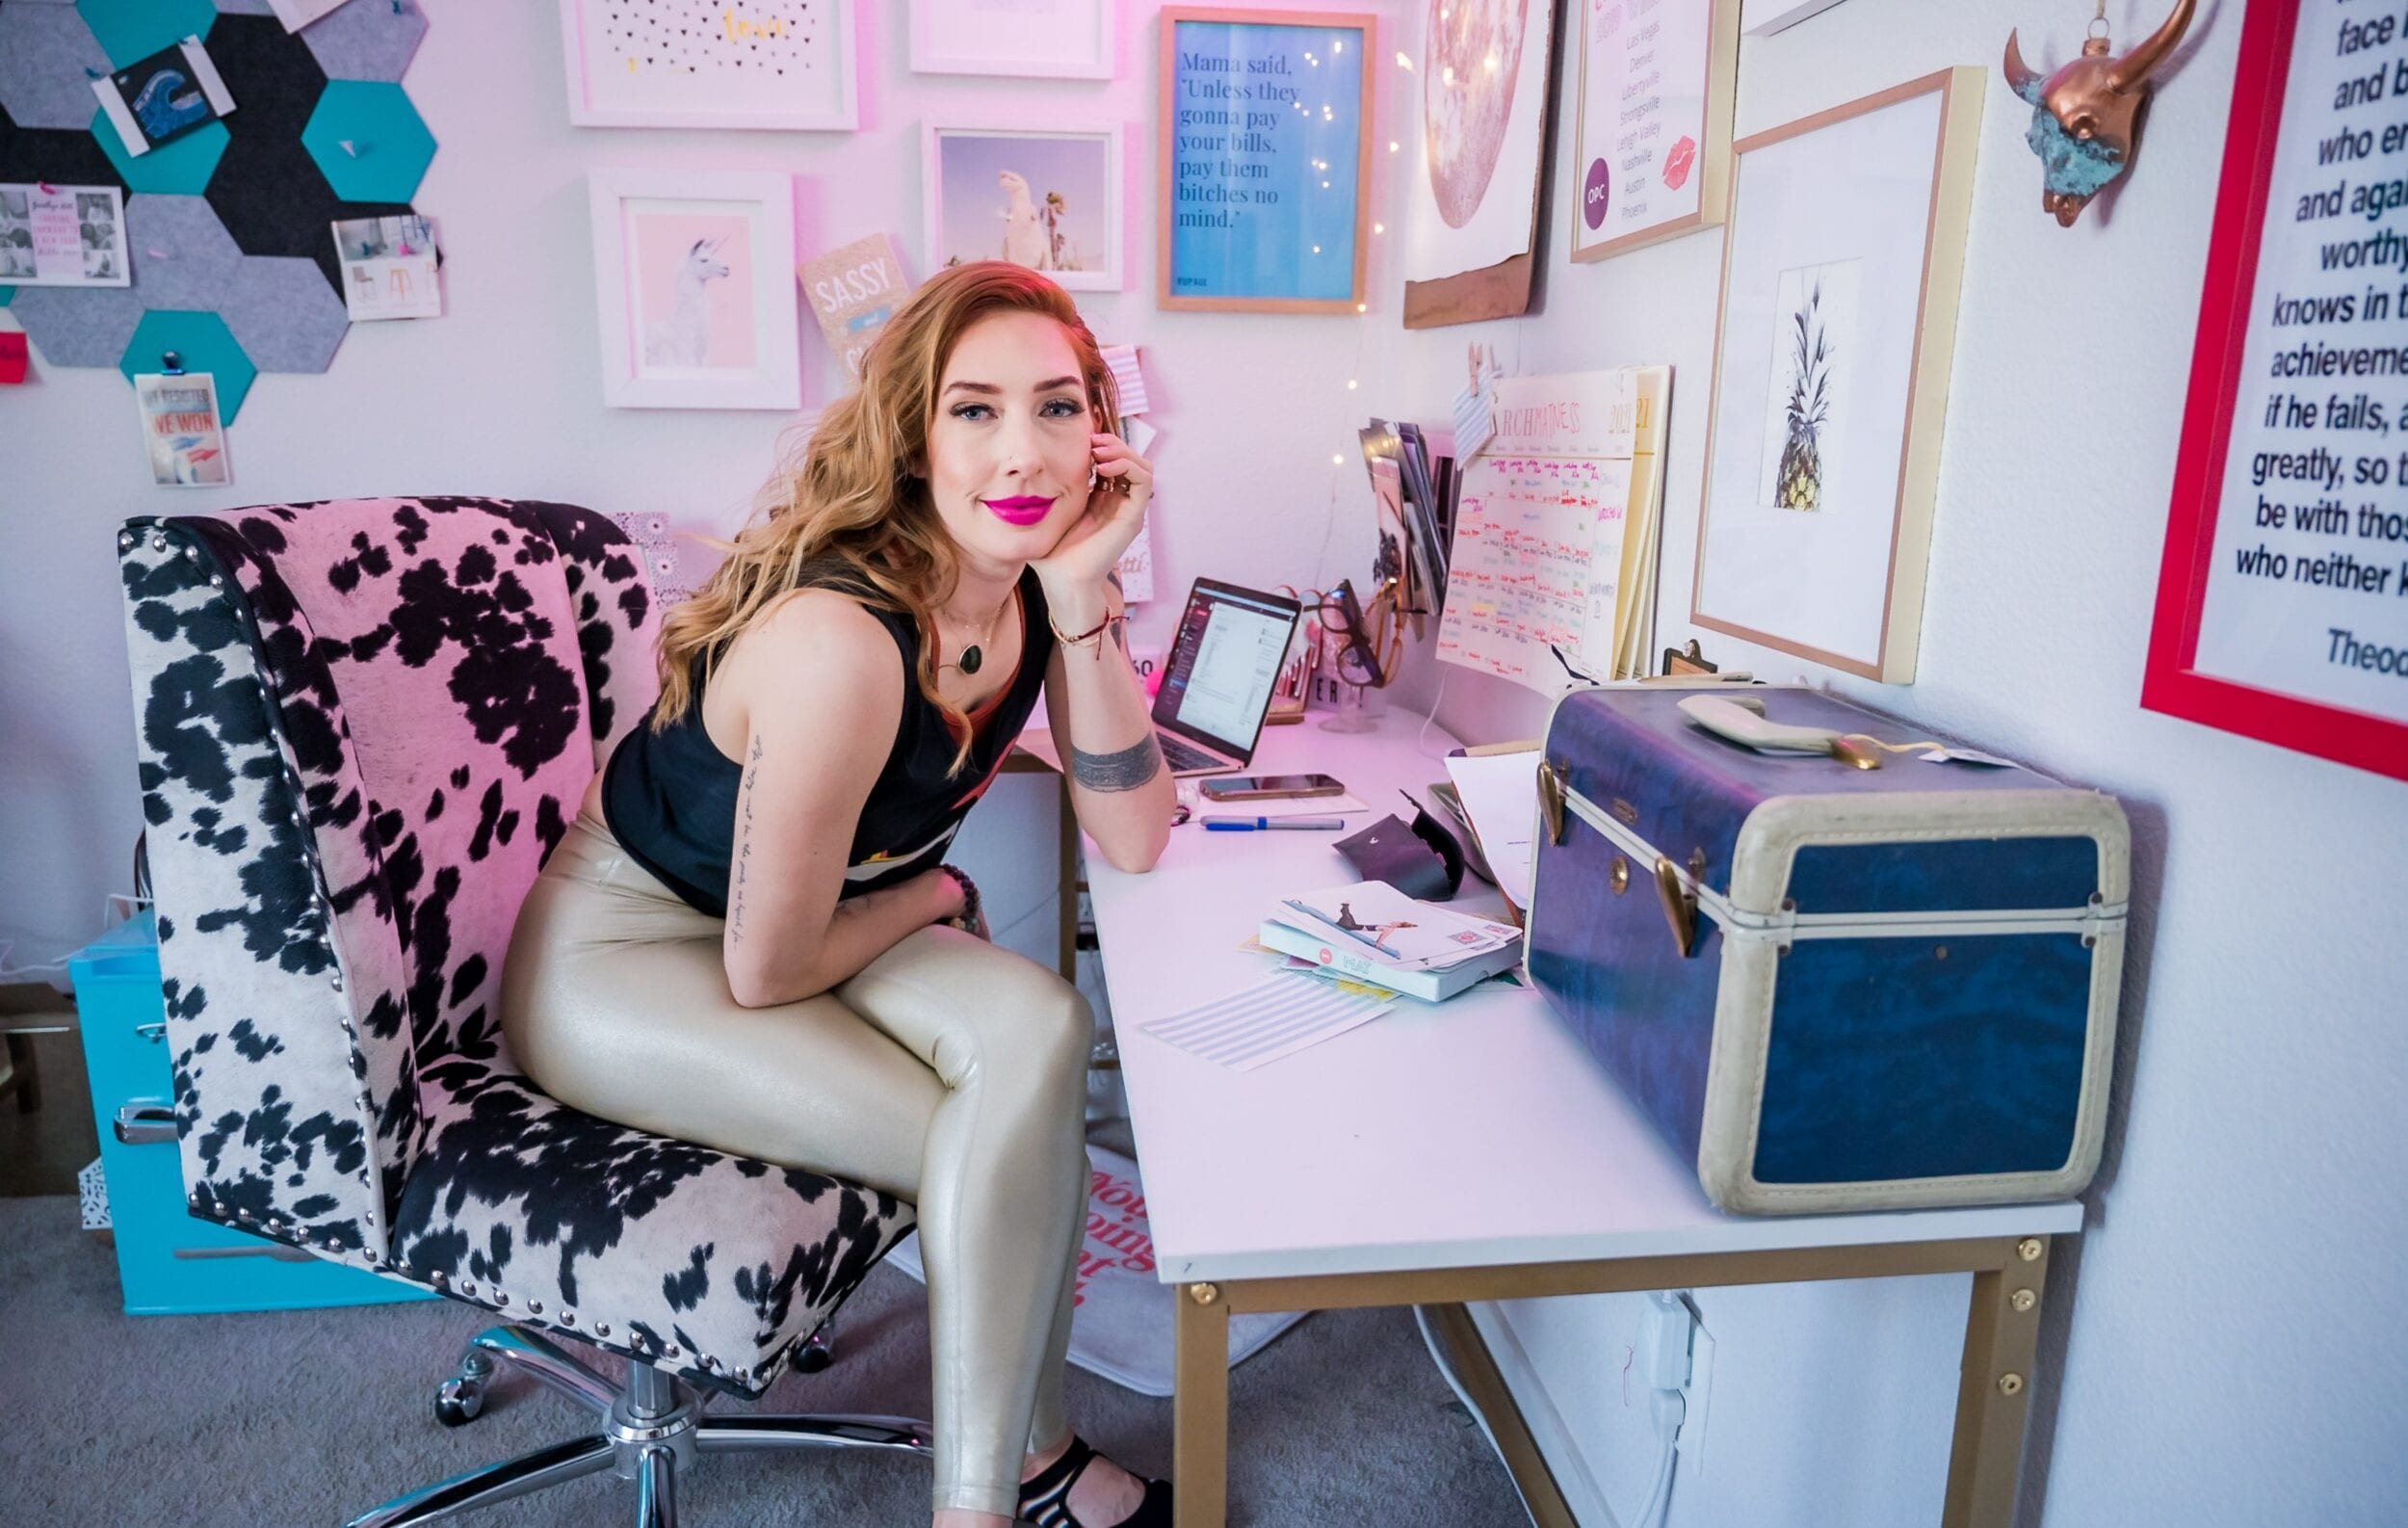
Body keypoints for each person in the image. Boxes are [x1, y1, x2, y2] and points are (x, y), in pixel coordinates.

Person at [500, 261, 1176, 1528]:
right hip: (628, 953)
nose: (1020, 452)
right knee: (980, 1128)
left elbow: (1134, 836)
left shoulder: (1036, 585)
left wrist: (1086, 599)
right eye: (973, 409)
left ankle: (1022, 1460)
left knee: (1042, 1033)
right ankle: (984, 1498)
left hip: (808, 914)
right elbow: (764, 970)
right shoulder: (842, 641)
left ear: (1105, 432)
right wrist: (927, 900)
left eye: (1057, 406)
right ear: (915, 438)